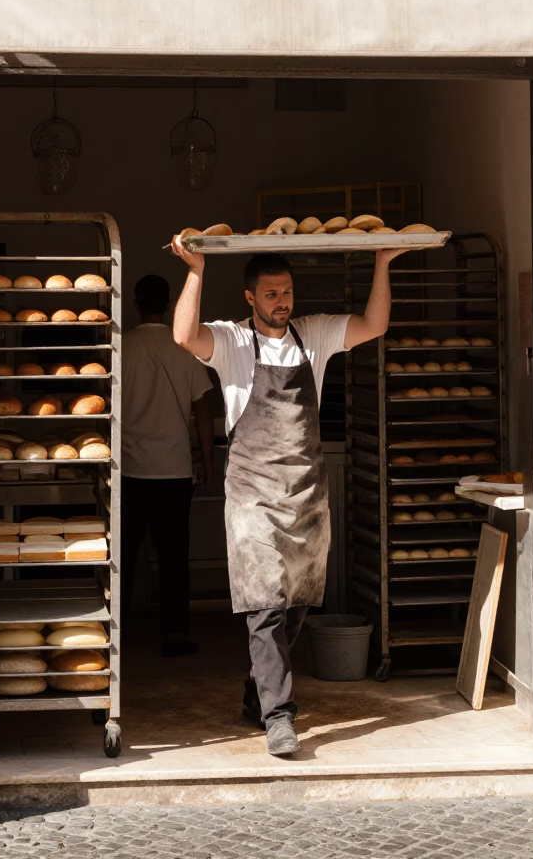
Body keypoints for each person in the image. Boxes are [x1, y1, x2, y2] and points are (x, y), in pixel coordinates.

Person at [171, 241, 403, 755]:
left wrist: (382, 263)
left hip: (305, 495)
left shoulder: (314, 334)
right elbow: (184, 335)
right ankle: (281, 717)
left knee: (295, 603)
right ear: (250, 296)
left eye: (288, 292)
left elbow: (375, 325)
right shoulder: (232, 342)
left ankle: (258, 690)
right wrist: (195, 271)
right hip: (253, 497)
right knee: (266, 604)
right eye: (271, 294)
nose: (282, 302)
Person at [121, 273, 214, 657]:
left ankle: (115, 635)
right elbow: (203, 408)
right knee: (174, 556)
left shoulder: (119, 348)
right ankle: (173, 634)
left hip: (127, 469)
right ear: (170, 302)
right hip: (174, 469)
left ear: (136, 304)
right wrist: (207, 459)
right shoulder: (184, 349)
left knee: (122, 556)